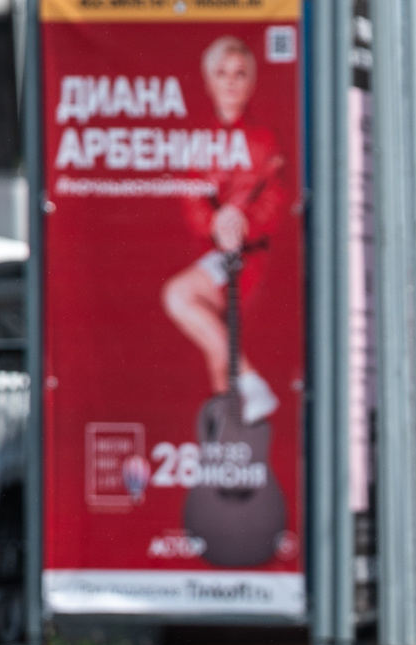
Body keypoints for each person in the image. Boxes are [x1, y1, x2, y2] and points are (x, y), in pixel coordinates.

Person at [161, 36, 286, 425]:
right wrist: (216, 224)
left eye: (240, 73)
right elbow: (191, 199)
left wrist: (244, 224)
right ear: (208, 81)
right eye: (222, 73)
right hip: (212, 254)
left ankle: (247, 387)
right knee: (216, 346)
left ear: (251, 82)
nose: (231, 82)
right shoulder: (198, 142)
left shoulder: (266, 140)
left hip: (250, 256)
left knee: (181, 298)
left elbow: (275, 199)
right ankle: (233, 439)